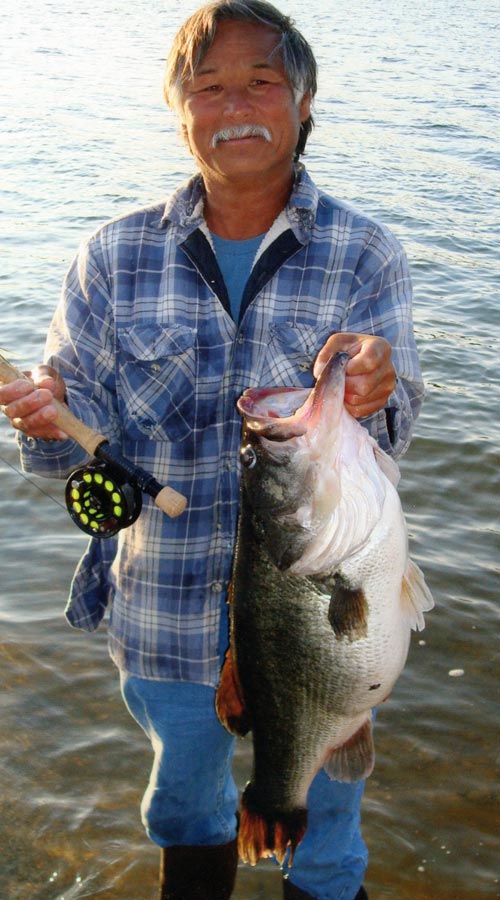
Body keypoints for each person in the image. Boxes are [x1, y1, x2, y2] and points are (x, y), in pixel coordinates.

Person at [0, 1, 424, 898]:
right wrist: (48, 412)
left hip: (323, 622)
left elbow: (395, 418)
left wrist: (380, 387)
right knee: (187, 808)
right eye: (208, 87)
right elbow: (71, 443)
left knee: (325, 824)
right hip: (162, 618)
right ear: (178, 108)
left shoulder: (365, 253)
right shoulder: (111, 255)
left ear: (305, 101)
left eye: (262, 81)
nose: (236, 104)